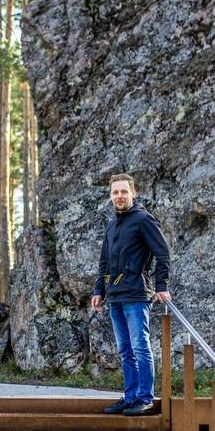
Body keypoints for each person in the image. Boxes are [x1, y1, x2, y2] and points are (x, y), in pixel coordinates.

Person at [91, 173, 171, 416]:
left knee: (140, 347)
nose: (119, 196)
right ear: (110, 196)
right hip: (114, 296)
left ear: (133, 193)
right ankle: (131, 396)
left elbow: (163, 253)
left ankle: (145, 398)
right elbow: (104, 261)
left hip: (136, 295)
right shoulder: (112, 225)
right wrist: (98, 291)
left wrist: (161, 286)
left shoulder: (143, 220)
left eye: (124, 192)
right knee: (125, 350)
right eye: (115, 192)